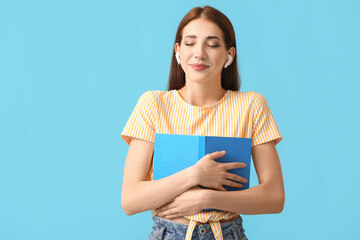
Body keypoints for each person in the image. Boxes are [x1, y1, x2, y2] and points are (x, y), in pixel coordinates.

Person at [120, 5, 285, 240]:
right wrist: (195, 176)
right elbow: (130, 200)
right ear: (177, 51)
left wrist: (208, 199)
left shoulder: (252, 105)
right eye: (190, 43)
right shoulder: (153, 104)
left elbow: (274, 197)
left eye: (212, 44)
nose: (199, 53)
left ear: (229, 54)